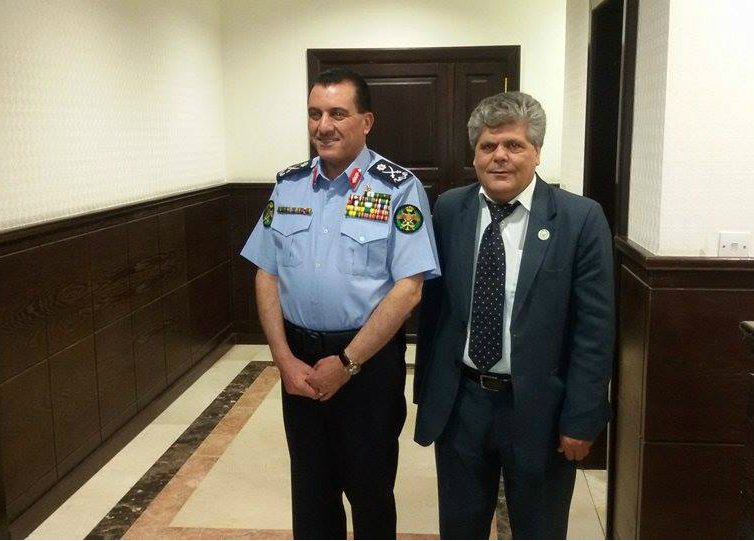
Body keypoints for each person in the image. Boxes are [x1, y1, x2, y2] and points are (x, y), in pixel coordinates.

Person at [240, 68, 439, 539]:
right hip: (299, 361)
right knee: (311, 491)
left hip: (367, 365)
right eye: (314, 114)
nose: (323, 126)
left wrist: (348, 362)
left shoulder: (398, 188)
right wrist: (282, 358)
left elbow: (409, 288)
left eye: (337, 114)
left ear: (366, 121)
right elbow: (266, 272)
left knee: (370, 492)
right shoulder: (289, 185)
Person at [413, 91, 614, 539]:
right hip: (462, 404)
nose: (499, 156)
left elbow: (594, 331)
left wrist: (582, 418)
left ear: (537, 152)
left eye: (514, 145)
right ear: (475, 155)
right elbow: (435, 309)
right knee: (459, 529)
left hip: (541, 411)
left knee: (539, 530)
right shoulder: (449, 209)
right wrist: (427, 391)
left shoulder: (580, 218)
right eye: (488, 146)